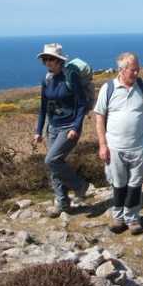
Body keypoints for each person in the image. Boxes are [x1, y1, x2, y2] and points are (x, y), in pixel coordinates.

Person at [94, 52, 143, 234]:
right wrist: (102, 145)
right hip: (115, 147)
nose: (136, 73)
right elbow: (99, 118)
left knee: (135, 184)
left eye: (137, 69)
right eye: (132, 70)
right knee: (119, 184)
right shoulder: (108, 88)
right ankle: (118, 217)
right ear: (121, 70)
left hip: (140, 145)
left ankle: (133, 219)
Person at [33, 43, 89, 216]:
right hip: (53, 127)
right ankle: (63, 203)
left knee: (51, 160)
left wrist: (76, 127)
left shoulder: (70, 76)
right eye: (45, 59)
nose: (47, 62)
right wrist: (38, 131)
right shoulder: (47, 79)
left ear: (59, 60)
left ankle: (80, 186)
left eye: (50, 59)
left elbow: (82, 103)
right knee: (54, 166)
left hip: (69, 127)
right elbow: (43, 107)